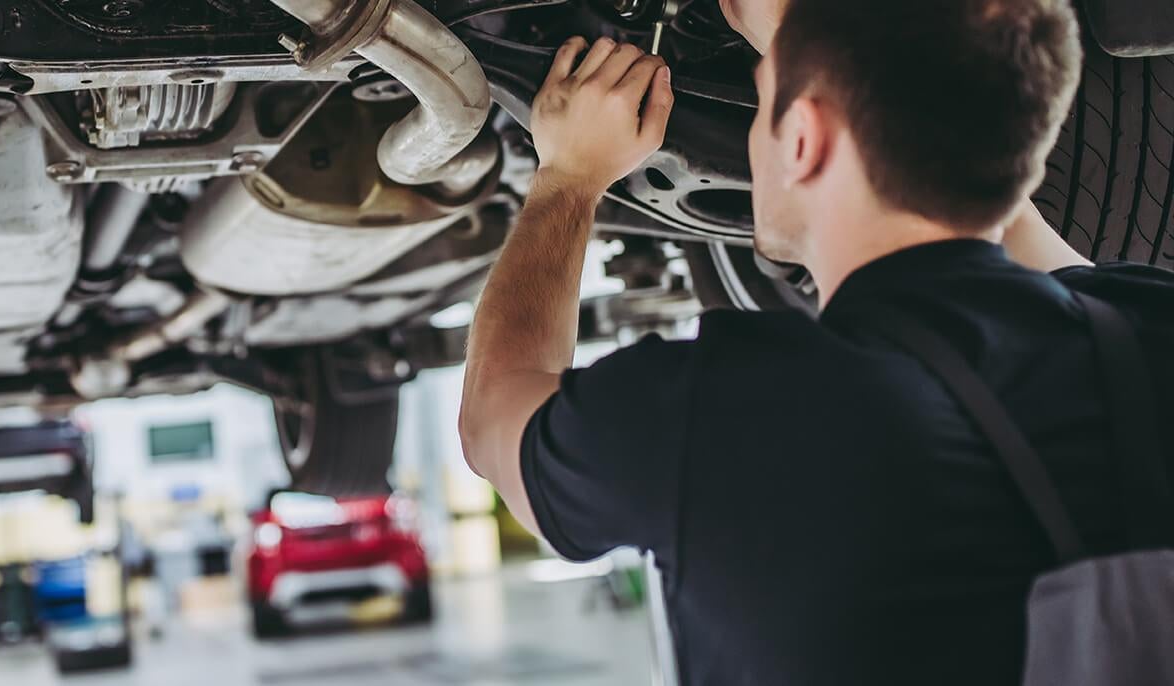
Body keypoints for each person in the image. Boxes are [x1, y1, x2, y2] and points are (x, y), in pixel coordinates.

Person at [458, 0, 1173, 683]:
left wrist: (570, 175)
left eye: (764, 98)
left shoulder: (722, 415)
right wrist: (824, 61)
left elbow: (495, 420)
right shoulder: (1148, 331)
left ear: (802, 138)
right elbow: (1001, 197)